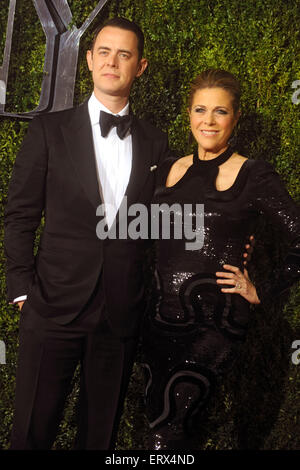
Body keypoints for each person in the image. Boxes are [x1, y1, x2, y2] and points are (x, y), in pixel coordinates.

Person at [4, 17, 171, 450]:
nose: (112, 61)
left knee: (99, 437)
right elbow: (20, 214)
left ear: (141, 66)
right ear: (90, 61)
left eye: (124, 54)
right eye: (103, 51)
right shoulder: (48, 129)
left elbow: (159, 222)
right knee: (31, 435)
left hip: (119, 314)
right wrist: (22, 289)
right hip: (52, 306)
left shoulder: (155, 142)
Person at [141, 69, 300, 450]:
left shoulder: (254, 174)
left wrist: (262, 289)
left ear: (236, 116)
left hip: (216, 323)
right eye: (200, 110)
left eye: (220, 112)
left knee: (169, 426)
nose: (208, 121)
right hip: (159, 319)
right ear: (188, 114)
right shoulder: (165, 169)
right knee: (160, 421)